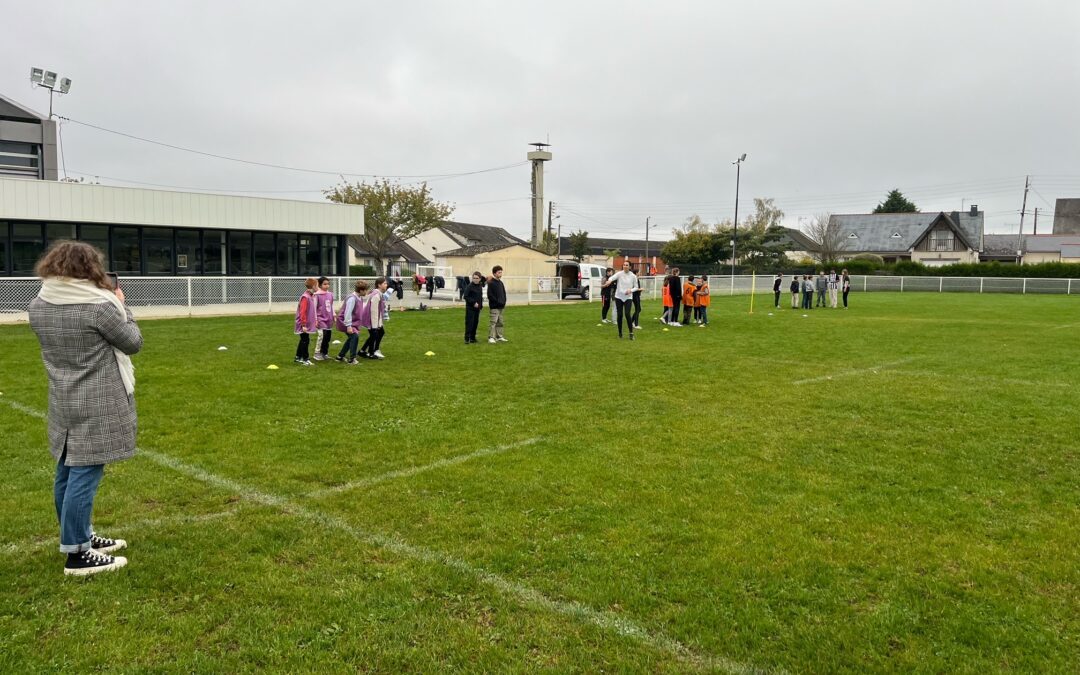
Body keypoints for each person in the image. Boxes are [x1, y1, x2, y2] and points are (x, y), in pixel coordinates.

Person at [28, 240, 142, 576]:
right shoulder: (99, 307)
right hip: (97, 397)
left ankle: (78, 535)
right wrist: (124, 305)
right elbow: (132, 341)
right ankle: (77, 553)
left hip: (63, 395)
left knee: (67, 467)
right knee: (86, 471)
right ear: (90, 268)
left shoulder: (40, 304)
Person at [602, 261, 638, 339]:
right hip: (618, 297)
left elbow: (636, 287)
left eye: (627, 265)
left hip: (628, 297)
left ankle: (631, 333)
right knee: (620, 315)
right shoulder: (619, 273)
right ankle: (620, 333)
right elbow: (612, 277)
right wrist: (609, 281)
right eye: (624, 265)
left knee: (627, 314)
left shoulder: (633, 276)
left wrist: (630, 290)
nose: (625, 266)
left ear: (630, 267)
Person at [335, 280, 367, 364]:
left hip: (352, 322)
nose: (366, 292)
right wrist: (348, 326)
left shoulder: (359, 297)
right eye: (365, 290)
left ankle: (340, 356)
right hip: (345, 321)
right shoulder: (352, 298)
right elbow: (347, 312)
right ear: (361, 290)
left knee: (351, 338)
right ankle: (352, 359)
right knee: (354, 337)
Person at [359, 278, 388, 359]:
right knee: (374, 334)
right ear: (379, 285)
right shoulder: (376, 295)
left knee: (378, 333)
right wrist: (376, 325)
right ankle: (371, 353)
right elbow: (373, 311)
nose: (386, 285)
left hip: (375, 319)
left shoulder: (378, 293)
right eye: (384, 283)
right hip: (371, 319)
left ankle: (364, 351)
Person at [294, 277, 318, 365]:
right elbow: (302, 312)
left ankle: (298, 357)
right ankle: (305, 359)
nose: (318, 288)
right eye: (317, 285)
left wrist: (315, 320)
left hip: (306, 323)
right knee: (305, 340)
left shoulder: (311, 296)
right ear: (313, 286)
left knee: (303, 340)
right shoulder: (305, 297)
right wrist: (303, 324)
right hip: (303, 324)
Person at [313, 276, 334, 361]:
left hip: (329, 319)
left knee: (327, 337)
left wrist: (334, 315)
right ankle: (317, 353)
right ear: (320, 285)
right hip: (320, 319)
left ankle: (324, 353)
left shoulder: (330, 294)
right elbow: (314, 308)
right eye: (325, 284)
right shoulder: (316, 295)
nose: (327, 286)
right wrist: (315, 319)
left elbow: (331, 306)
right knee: (321, 335)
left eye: (328, 284)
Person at [487, 265, 508, 344]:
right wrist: (497, 302)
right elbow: (490, 295)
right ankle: (491, 337)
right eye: (499, 272)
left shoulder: (501, 283)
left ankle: (499, 336)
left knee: (500, 322)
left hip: (501, 307)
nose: (500, 274)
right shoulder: (491, 283)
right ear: (494, 273)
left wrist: (504, 301)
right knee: (493, 322)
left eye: (501, 272)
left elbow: (504, 293)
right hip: (494, 307)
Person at [463, 271, 484, 343]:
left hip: (477, 309)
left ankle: (472, 338)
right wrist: (473, 302)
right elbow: (465, 296)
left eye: (477, 278)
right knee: (469, 323)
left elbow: (480, 297)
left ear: (480, 279)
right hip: (470, 308)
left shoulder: (480, 286)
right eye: (474, 278)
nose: (475, 279)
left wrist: (481, 305)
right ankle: (467, 338)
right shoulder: (469, 286)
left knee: (475, 323)